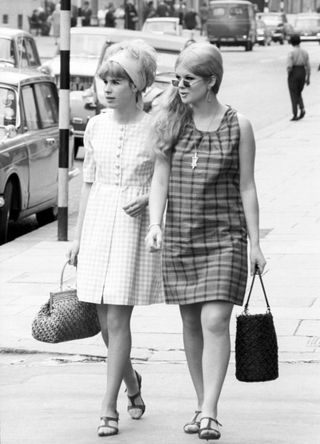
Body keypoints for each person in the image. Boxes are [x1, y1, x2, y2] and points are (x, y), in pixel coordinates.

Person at [146, 42, 266, 441]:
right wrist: (155, 223)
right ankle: (202, 403)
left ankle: (211, 409)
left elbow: (247, 187)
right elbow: (159, 179)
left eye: (188, 80)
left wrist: (256, 244)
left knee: (215, 320)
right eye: (176, 79)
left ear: (211, 81)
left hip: (225, 236)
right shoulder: (170, 123)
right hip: (181, 235)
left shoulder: (239, 125)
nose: (179, 86)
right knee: (190, 322)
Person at [67, 40, 163, 437]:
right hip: (97, 225)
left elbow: (164, 179)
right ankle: (133, 384)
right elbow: (87, 185)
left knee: (118, 318)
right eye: (104, 80)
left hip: (132, 227)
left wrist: (148, 199)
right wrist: (76, 237)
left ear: (137, 86)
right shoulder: (93, 126)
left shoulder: (155, 127)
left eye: (117, 81)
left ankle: (108, 407)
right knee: (105, 325)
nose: (107, 88)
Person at [287, 33, 310, 121]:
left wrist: (289, 74)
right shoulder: (305, 52)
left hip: (294, 72)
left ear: (291, 42)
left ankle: (295, 113)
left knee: (293, 93)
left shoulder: (291, 52)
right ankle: (302, 108)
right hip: (302, 72)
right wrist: (308, 78)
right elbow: (308, 66)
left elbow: (289, 66)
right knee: (298, 92)